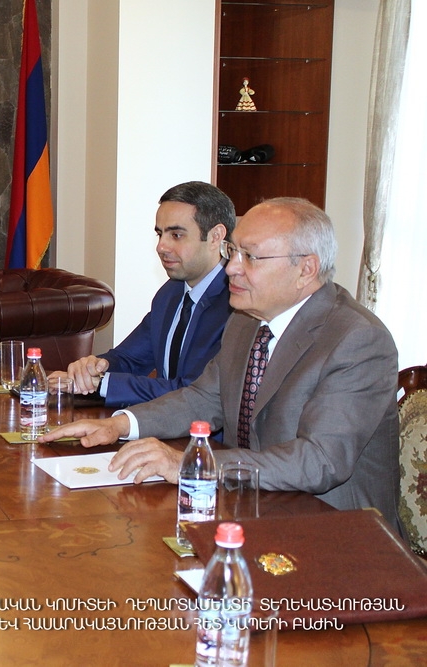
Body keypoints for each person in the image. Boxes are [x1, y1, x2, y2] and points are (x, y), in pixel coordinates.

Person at [41, 197, 400, 528]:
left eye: (250, 257)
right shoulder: (246, 321)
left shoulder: (357, 340)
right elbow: (204, 399)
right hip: (251, 505)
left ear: (306, 269)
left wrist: (191, 462)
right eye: (233, 252)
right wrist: (119, 425)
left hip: (334, 529)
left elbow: (320, 460)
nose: (231, 269)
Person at [59, 181, 235, 407]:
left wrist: (103, 383)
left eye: (176, 235)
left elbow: (193, 391)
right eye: (160, 234)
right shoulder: (170, 293)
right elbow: (129, 359)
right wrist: (92, 368)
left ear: (215, 236)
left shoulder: (236, 304)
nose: (161, 247)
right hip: (160, 422)